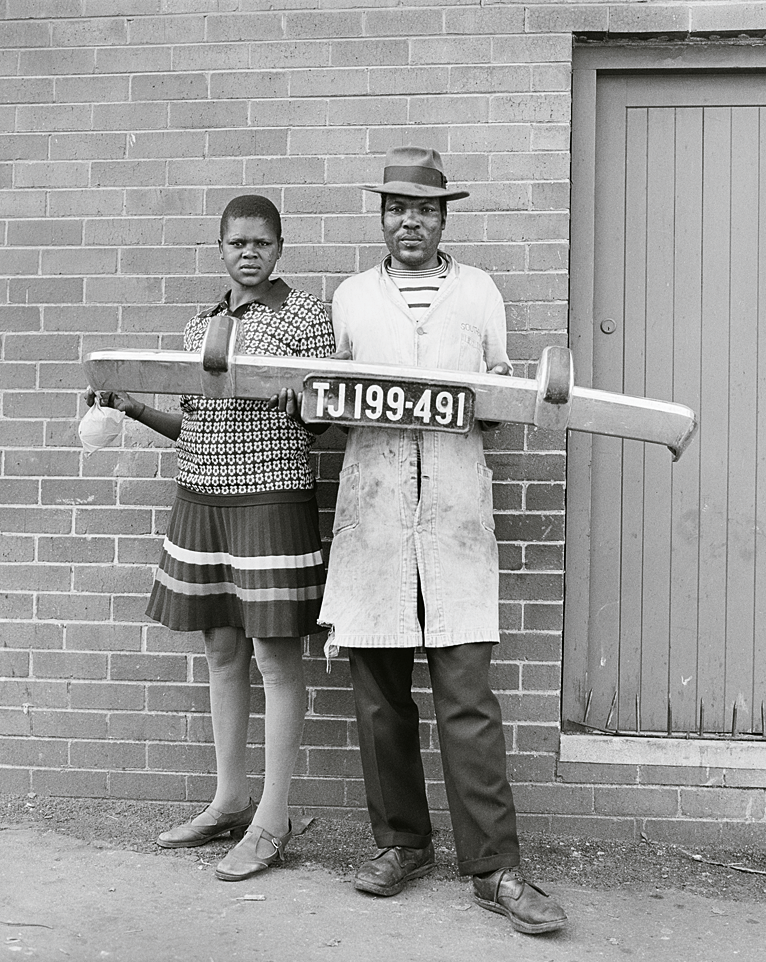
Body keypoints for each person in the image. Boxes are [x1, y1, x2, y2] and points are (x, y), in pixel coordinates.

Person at [319, 147, 568, 935]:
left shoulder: (479, 291)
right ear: (381, 216)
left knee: (466, 697)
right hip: (376, 512)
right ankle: (401, 843)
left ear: (443, 217)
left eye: (422, 209)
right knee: (380, 699)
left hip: (454, 515)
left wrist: (493, 399)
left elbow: (495, 387)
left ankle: (494, 869)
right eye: (395, 208)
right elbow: (329, 395)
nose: (408, 221)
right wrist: (312, 399)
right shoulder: (351, 297)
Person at [85, 194, 335, 881]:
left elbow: (323, 423)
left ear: (279, 246)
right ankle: (229, 799)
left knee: (277, 661)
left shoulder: (307, 318)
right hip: (202, 496)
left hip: (270, 498)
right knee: (221, 652)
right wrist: (134, 407)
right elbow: (195, 423)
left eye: (261, 242)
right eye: (236, 243)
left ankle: (272, 818)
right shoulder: (202, 323)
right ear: (220, 248)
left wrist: (303, 403)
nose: (248, 253)